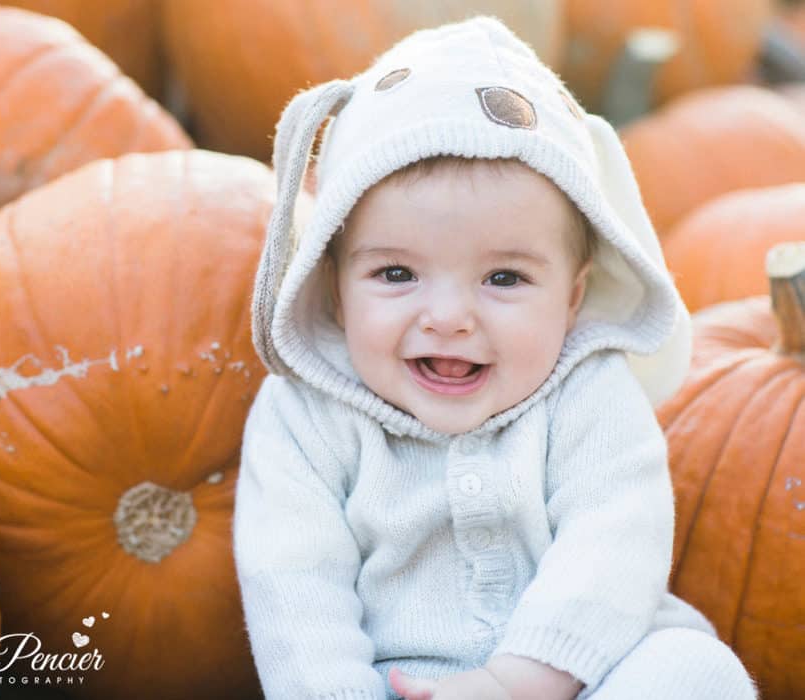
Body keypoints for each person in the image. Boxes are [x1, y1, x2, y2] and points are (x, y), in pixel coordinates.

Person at [234, 15, 757, 700]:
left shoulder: (587, 389)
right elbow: (293, 585)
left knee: (697, 671)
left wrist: (519, 683)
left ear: (573, 300)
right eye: (396, 274)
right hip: (396, 683)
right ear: (333, 287)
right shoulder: (305, 414)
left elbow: (616, 540)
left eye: (503, 279)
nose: (449, 318)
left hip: (578, 675)